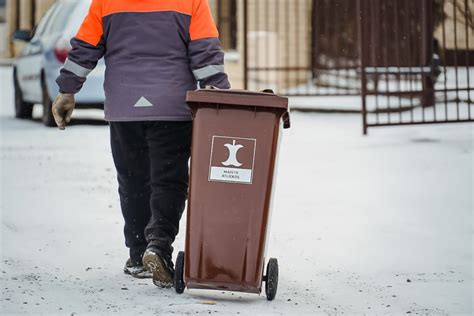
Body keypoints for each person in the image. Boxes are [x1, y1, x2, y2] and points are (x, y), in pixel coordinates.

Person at [52, 0, 230, 288]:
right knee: (169, 180)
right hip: (172, 106)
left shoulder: (106, 3)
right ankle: (158, 245)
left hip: (124, 107)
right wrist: (220, 93)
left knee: (133, 179)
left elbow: (85, 47)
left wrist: (67, 90)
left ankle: (137, 255)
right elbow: (205, 52)